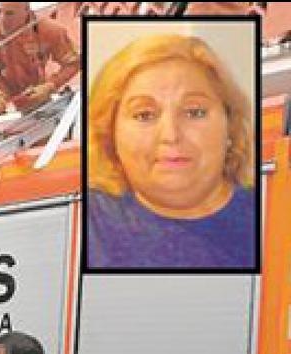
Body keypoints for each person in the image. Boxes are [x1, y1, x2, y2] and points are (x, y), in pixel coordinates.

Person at [86, 33, 255, 270]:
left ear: (230, 124)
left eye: (194, 112)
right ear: (109, 134)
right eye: (144, 115)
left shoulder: (274, 214)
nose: (171, 135)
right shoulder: (88, 223)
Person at [0, 2, 79, 148]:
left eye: (9, 13)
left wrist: (49, 86)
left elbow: (74, 63)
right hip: (3, 87)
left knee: (43, 138)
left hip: (34, 90)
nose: (3, 18)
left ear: (26, 11)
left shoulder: (50, 30)